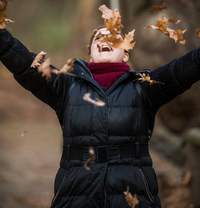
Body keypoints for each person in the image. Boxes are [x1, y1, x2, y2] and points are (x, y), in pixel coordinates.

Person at [0, 24, 200, 208]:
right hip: (75, 196)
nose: (105, 40)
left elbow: (182, 70)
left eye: (113, 37)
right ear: (90, 55)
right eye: (98, 38)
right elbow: (27, 65)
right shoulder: (66, 87)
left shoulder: (145, 88)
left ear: (125, 55)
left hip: (133, 196)